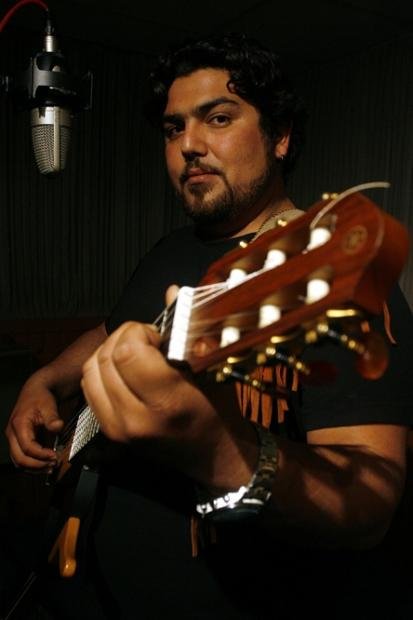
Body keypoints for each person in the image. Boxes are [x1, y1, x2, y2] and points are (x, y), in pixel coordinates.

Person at [5, 33, 413, 619]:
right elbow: (111, 332)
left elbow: (371, 505)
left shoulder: (326, 270)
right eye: (174, 129)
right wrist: (45, 380)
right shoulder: (172, 248)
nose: (189, 145)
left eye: (218, 118)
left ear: (280, 136)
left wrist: (221, 451)